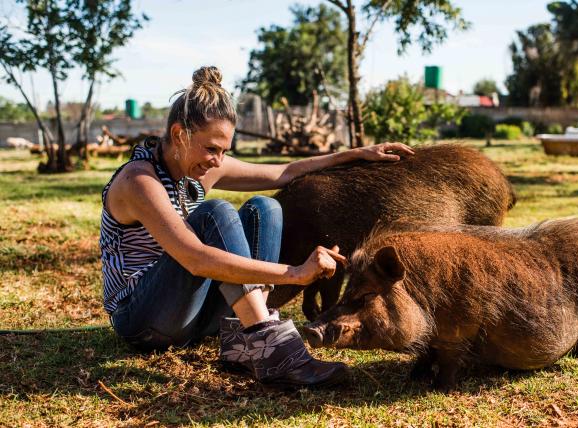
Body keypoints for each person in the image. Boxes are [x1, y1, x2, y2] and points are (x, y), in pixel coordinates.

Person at [100, 66, 414, 388]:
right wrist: (294, 273)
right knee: (215, 213)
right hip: (143, 321)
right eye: (211, 149)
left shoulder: (199, 169)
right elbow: (194, 258)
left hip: (190, 317)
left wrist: (356, 154)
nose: (218, 161)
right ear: (180, 134)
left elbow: (285, 172)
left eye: (224, 151)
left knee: (266, 208)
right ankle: (272, 348)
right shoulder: (139, 181)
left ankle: (243, 342)